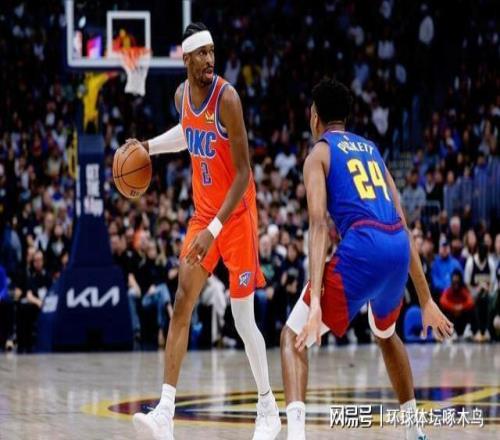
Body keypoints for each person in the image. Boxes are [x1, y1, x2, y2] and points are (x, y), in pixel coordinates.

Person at [279, 78, 453, 440]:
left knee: (292, 336)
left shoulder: (319, 154)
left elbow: (318, 225)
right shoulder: (372, 149)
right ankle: (414, 431)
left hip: (364, 247)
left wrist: (315, 302)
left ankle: (295, 436)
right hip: (396, 248)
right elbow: (402, 223)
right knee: (386, 334)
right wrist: (425, 299)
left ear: (315, 117)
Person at [130, 23, 280, 440]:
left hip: (236, 217)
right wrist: (148, 148)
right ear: (186, 59)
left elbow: (244, 172)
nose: (210, 59)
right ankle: (165, 411)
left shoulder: (227, 98)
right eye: (202, 53)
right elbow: (186, 132)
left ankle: (268, 407)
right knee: (182, 301)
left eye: (213, 52)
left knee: (243, 319)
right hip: (204, 216)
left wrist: (214, 229)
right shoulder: (182, 96)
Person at [439, 269, 476, 340]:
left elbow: (471, 302)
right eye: (454, 282)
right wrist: (453, 307)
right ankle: (450, 331)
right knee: (442, 310)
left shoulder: (464, 291)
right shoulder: (448, 291)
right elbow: (442, 301)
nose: (456, 284)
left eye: (457, 282)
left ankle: (469, 330)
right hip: (452, 318)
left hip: (462, 318)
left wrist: (461, 307)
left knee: (472, 310)